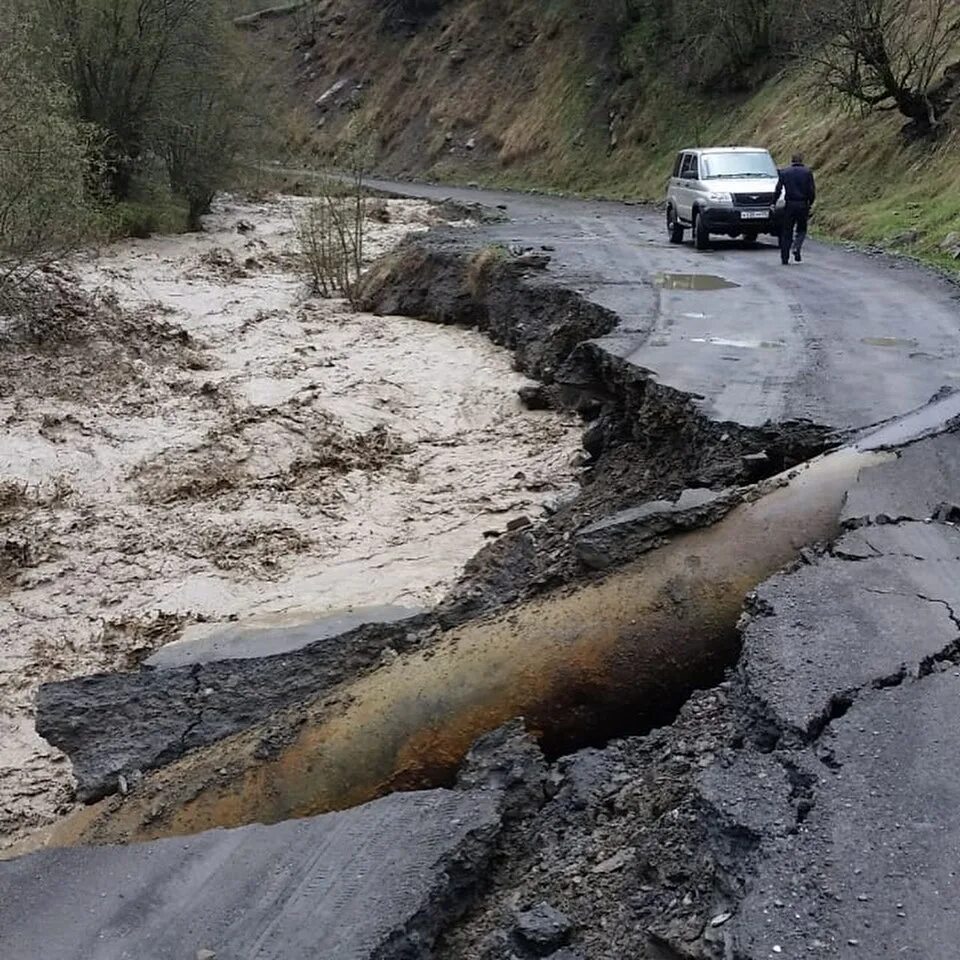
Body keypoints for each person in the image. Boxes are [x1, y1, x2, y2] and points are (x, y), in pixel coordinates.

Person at [772, 153, 816, 265]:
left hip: (789, 205)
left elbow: (778, 189)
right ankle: (796, 246)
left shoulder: (785, 172)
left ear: (792, 161)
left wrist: (773, 202)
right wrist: (810, 202)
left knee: (786, 231)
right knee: (801, 229)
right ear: (802, 160)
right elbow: (811, 191)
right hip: (802, 204)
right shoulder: (807, 172)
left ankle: (784, 257)